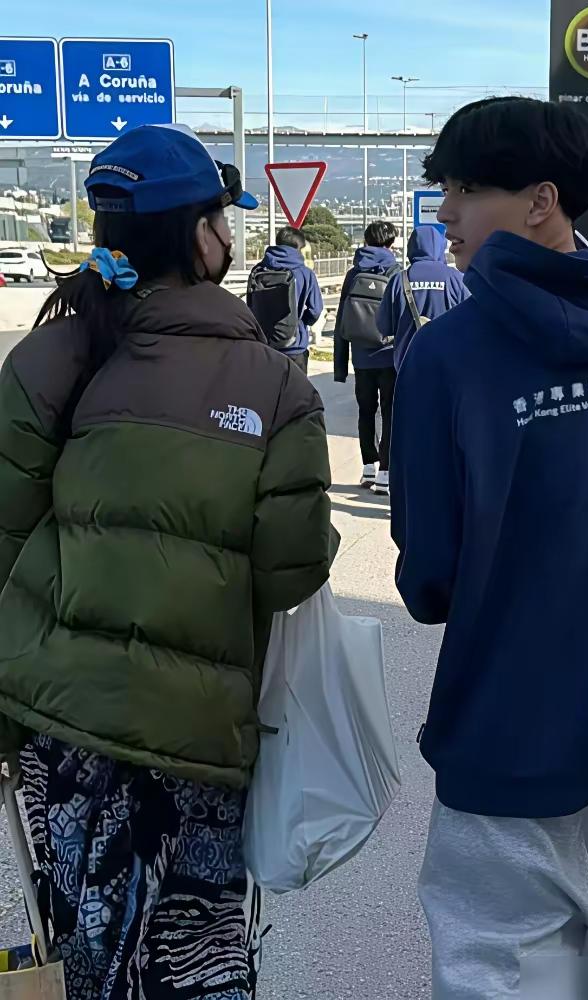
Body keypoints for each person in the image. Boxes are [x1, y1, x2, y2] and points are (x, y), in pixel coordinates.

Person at [0, 124, 336, 999]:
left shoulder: (51, 356)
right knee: (192, 965)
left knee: (82, 964)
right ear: (200, 236)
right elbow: (293, 570)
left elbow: (3, 540)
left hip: (56, 735)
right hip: (195, 746)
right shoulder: (277, 389)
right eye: (223, 218)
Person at [390, 96, 588, 988]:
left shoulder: (447, 357)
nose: (446, 209)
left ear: (541, 201)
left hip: (505, 740)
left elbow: (429, 581)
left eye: (466, 187)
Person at [334, 220, 399, 494]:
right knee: (390, 413)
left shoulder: (353, 272)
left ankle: (368, 467)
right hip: (389, 355)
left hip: (360, 356)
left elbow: (342, 318)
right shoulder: (395, 271)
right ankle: (385, 472)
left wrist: (340, 366)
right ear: (391, 243)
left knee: (366, 412)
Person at [377, 225, 469, 369]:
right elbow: (473, 324)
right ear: (439, 247)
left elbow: (384, 326)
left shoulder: (398, 280)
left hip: (408, 366)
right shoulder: (456, 279)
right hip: (449, 366)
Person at [253, 226, 323, 375]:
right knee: (296, 390)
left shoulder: (258, 270)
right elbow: (316, 310)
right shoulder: (305, 273)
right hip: (294, 347)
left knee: (267, 389)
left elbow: (251, 305)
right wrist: (300, 323)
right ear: (298, 248)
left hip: (265, 345)